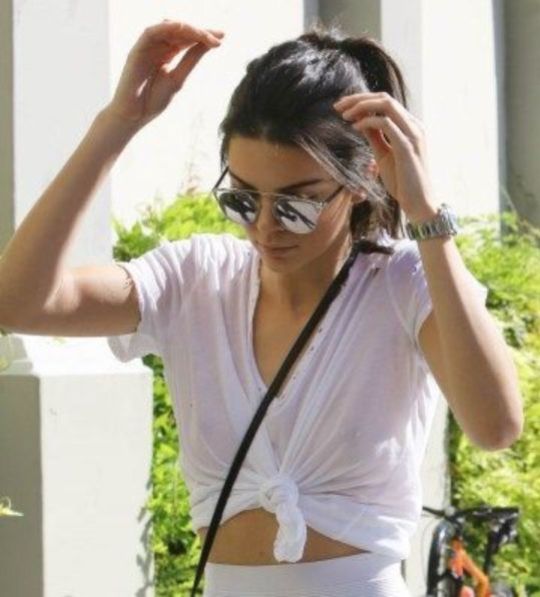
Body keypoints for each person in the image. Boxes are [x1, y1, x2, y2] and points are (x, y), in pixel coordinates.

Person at [0, 18, 523, 597]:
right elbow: (21, 303)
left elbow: (496, 425)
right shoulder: (196, 279)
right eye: (244, 198)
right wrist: (118, 123)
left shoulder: (402, 283)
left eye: (298, 203)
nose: (266, 226)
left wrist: (427, 216)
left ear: (361, 181)